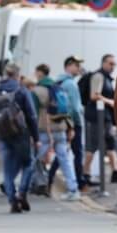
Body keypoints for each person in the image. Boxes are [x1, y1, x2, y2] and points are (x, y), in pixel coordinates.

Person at [31, 63, 80, 202]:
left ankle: (29, 185)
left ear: (39, 73)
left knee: (33, 158)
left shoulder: (37, 90)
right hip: (61, 127)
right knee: (64, 160)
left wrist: (31, 134)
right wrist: (71, 128)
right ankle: (73, 189)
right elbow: (68, 109)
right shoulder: (59, 87)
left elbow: (33, 113)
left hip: (45, 130)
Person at [0, 64, 39, 213]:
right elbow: (32, 115)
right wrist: (36, 136)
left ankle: (12, 199)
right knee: (28, 163)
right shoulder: (21, 91)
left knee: (7, 169)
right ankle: (22, 192)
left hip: (3, 134)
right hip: (21, 134)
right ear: (18, 75)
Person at [82, 54, 117, 189]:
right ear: (104, 63)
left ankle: (116, 172)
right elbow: (94, 95)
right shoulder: (98, 76)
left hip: (105, 117)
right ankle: (85, 175)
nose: (113, 67)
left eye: (114, 64)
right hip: (95, 117)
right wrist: (110, 102)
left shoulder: (107, 78)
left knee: (110, 142)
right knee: (92, 146)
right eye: (111, 63)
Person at [49, 56, 86, 193]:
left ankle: (49, 177)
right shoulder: (71, 84)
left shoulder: (59, 81)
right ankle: (79, 183)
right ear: (69, 66)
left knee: (62, 152)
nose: (79, 68)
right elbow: (75, 108)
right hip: (73, 122)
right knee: (77, 153)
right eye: (77, 65)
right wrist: (76, 124)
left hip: (62, 121)